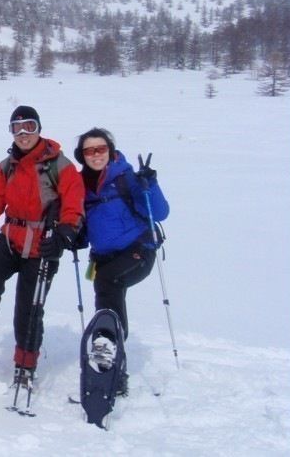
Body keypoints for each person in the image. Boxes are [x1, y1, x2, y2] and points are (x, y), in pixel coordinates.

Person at [0, 106, 85, 387]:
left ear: (39, 129)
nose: (23, 134)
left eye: (28, 127)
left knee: (28, 308)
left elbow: (73, 203)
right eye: (16, 128)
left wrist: (64, 235)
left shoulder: (60, 165)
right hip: (10, 238)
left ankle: (25, 366)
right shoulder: (7, 165)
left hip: (43, 245)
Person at [74, 127, 169, 393]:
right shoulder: (81, 185)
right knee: (107, 295)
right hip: (103, 258)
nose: (96, 155)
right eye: (89, 151)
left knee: (108, 283)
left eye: (101, 149)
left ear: (111, 151)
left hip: (138, 250)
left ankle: (107, 345)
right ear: (82, 155)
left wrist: (150, 185)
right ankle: (114, 366)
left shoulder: (126, 178)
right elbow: (81, 224)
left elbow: (160, 212)